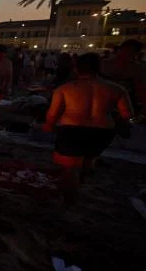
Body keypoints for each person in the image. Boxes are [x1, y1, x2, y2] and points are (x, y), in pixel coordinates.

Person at [43, 53, 134, 202]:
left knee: (70, 167)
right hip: (103, 132)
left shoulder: (65, 89)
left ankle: (69, 200)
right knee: (87, 159)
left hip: (72, 130)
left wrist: (49, 125)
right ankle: (79, 183)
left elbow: (52, 114)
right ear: (99, 68)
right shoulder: (117, 89)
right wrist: (112, 121)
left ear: (77, 68)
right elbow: (127, 114)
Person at [102, 39, 145, 116]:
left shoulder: (137, 68)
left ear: (134, 54)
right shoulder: (103, 64)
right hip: (103, 104)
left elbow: (141, 90)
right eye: (123, 50)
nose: (124, 54)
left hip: (125, 106)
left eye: (129, 52)